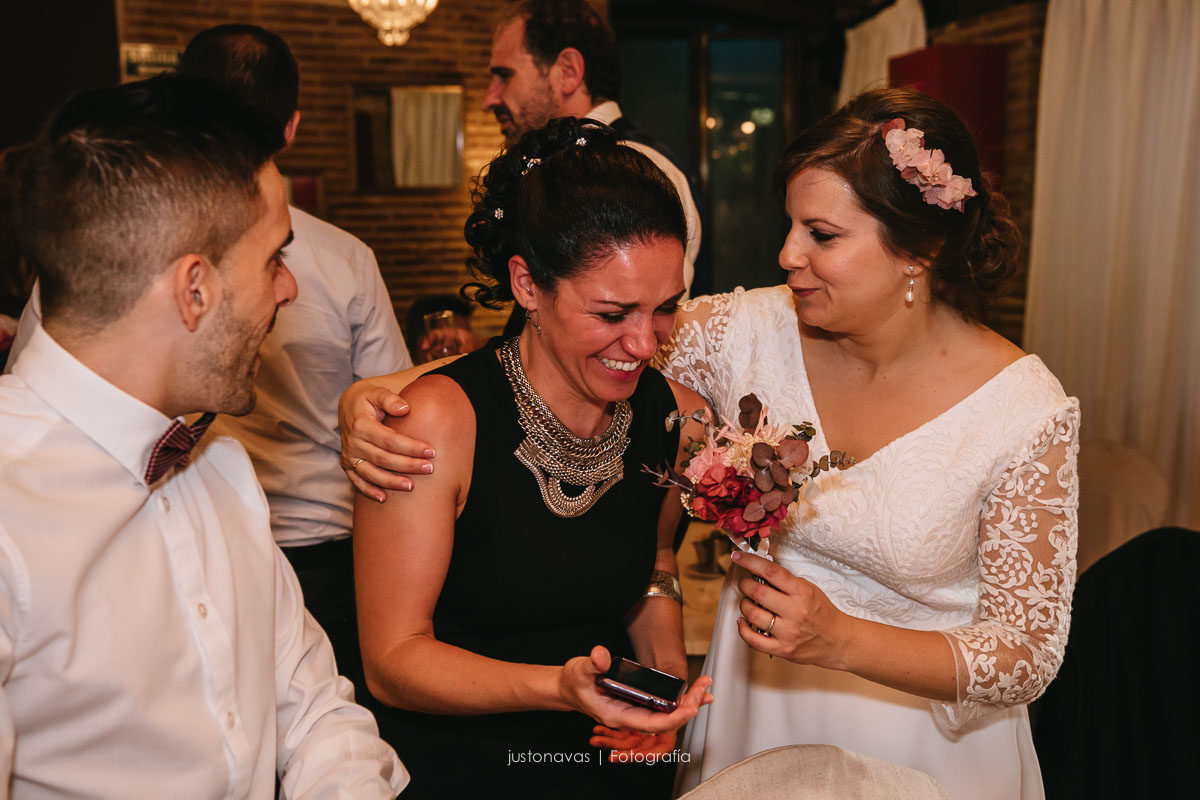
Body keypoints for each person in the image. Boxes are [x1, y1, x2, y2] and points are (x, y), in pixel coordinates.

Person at [340, 88, 1080, 799]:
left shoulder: (1022, 408)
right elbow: (556, 352)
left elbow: (1029, 656)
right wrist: (366, 396)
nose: (787, 255)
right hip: (756, 708)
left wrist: (842, 640)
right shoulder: (749, 332)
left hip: (927, 742)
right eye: (788, 224)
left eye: (821, 235)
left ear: (916, 249)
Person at [0, 75, 408, 797]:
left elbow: (315, 707)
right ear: (195, 290)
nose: (288, 289)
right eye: (275, 258)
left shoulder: (220, 461)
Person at [351, 117, 712, 799]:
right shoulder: (436, 422)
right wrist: (559, 688)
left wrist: (661, 699)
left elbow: (655, 568)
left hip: (609, 755)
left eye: (665, 309)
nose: (644, 344)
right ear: (527, 286)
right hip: (465, 761)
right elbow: (392, 660)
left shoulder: (679, 420)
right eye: (612, 313)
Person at [484, 0, 701, 296]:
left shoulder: (637, 171)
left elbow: (645, 326)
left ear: (568, 71)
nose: (489, 99)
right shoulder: (561, 165)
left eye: (504, 75)